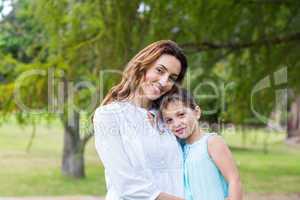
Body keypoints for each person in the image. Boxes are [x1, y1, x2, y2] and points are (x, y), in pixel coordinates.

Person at [93, 40, 188, 200]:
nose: (164, 82)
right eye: (159, 70)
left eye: (172, 78)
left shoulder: (168, 119)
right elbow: (126, 184)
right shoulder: (109, 116)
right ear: (143, 66)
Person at [160, 89, 243, 200]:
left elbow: (234, 180)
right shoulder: (180, 148)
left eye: (181, 115)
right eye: (169, 120)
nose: (176, 124)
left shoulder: (211, 142)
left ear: (196, 112)